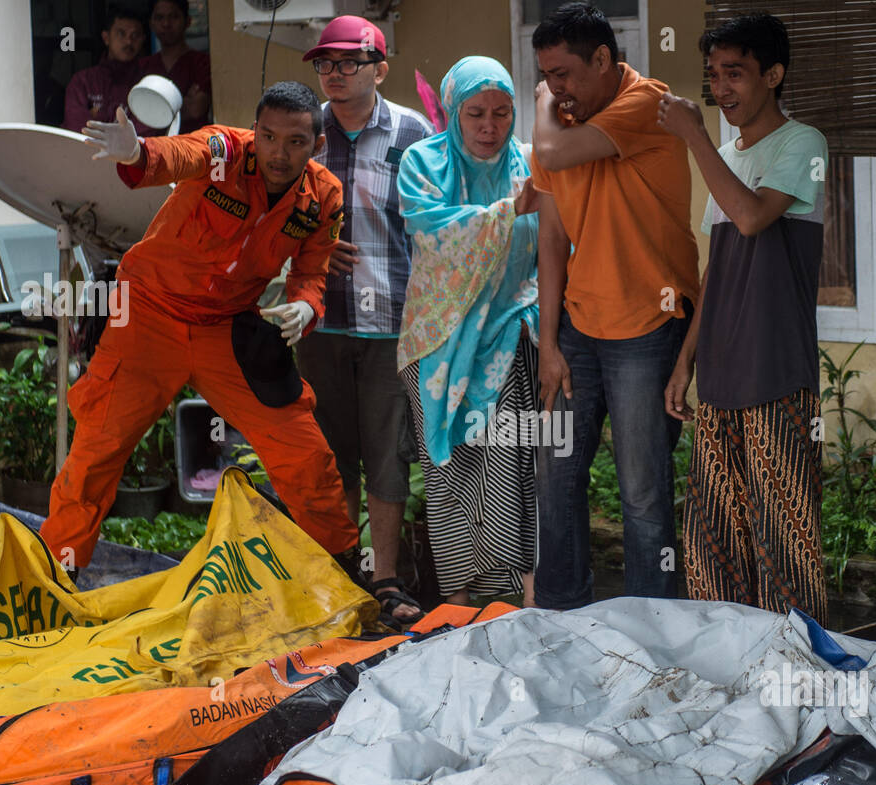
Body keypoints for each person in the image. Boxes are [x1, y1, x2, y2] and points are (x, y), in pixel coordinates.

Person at [40, 82, 363, 582]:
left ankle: (344, 578)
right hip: (147, 315)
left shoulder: (323, 197)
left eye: (296, 142)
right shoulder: (225, 151)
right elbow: (179, 154)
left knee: (304, 452)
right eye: (269, 136)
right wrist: (138, 153)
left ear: (317, 145)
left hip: (226, 326)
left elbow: (313, 271)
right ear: (254, 131)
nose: (279, 152)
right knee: (96, 452)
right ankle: (53, 580)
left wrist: (304, 306)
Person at [527, 2, 699, 610]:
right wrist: (549, 343)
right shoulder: (558, 126)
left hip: (648, 326)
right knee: (556, 478)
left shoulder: (647, 105)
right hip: (579, 325)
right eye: (545, 76)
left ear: (604, 59)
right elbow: (550, 238)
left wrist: (544, 108)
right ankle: (561, 615)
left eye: (565, 73)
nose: (555, 88)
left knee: (643, 491)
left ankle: (648, 624)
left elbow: (551, 154)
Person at [658, 13, 829, 621]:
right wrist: (685, 363)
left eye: (735, 74)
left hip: (777, 374)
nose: (722, 88)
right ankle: (736, 674)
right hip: (723, 378)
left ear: (773, 74)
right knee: (713, 545)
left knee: (784, 543)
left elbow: (753, 217)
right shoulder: (725, 155)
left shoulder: (804, 144)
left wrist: (694, 137)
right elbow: (717, 270)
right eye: (714, 76)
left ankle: (799, 672)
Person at [298, 17, 435, 623]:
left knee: (386, 455)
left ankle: (385, 577)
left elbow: (434, 225)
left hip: (391, 325)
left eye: (348, 62)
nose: (333, 72)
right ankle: (342, 570)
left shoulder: (412, 131)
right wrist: (310, 246)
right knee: (331, 454)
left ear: (379, 68)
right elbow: (269, 212)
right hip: (318, 321)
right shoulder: (303, 132)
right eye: (325, 62)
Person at [396, 56, 541, 607]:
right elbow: (433, 234)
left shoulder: (530, 162)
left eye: (502, 113)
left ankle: (510, 597)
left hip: (509, 337)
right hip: (438, 347)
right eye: (475, 113)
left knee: (508, 467)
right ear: (454, 111)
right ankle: (459, 597)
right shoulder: (423, 161)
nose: (489, 126)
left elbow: (554, 243)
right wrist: (510, 210)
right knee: (451, 469)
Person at [63, 7, 162, 137]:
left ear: (142, 40)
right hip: (83, 156)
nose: (128, 41)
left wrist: (97, 118)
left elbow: (142, 137)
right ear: (106, 38)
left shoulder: (148, 85)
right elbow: (77, 130)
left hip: (130, 158)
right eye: (121, 33)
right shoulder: (83, 81)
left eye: (135, 35)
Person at [138, 0, 212, 131]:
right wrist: (182, 103)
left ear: (187, 21)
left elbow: (196, 109)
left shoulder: (202, 63)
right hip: (154, 147)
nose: (166, 24)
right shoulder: (143, 66)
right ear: (151, 24)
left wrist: (153, 109)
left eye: (174, 17)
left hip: (192, 145)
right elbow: (138, 114)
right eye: (160, 17)